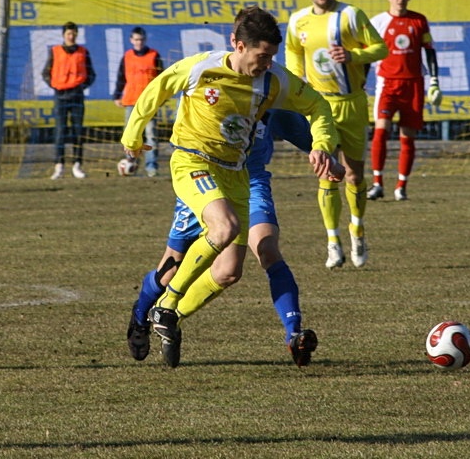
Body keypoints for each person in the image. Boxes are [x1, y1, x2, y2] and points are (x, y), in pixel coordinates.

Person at [121, 7, 340, 361]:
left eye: (271, 56)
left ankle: (163, 312)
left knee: (228, 270)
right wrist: (132, 134)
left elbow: (317, 105)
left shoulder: (273, 81)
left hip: (235, 175)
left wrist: (322, 145)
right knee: (214, 235)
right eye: (261, 56)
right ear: (237, 45)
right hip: (193, 163)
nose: (267, 63)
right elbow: (159, 86)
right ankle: (156, 310)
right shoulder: (202, 67)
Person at [127, 109, 344, 367]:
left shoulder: (273, 88)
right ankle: (141, 318)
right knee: (171, 267)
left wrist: (327, 156)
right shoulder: (216, 83)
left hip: (251, 182)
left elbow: (306, 132)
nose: (262, 67)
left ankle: (294, 334)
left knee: (246, 261)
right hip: (205, 178)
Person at [285, 0, 388, 269]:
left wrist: (354, 55)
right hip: (319, 108)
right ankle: (332, 240)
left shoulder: (351, 16)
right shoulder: (297, 21)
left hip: (352, 103)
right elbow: (292, 52)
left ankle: (357, 229)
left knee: (354, 174)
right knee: (326, 173)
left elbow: (381, 49)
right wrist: (295, 82)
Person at [367, 0, 440, 203]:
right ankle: (377, 183)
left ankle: (401, 186)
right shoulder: (378, 22)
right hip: (387, 84)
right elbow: (365, 54)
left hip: (413, 85)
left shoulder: (419, 20)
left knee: (407, 137)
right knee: (380, 131)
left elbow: (429, 51)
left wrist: (435, 80)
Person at [42, 21, 96, 180]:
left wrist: (81, 86)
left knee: (77, 132)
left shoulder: (83, 52)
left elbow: (91, 74)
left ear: (77, 35)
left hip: (77, 95)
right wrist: (54, 85)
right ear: (63, 35)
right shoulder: (55, 51)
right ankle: (59, 165)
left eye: (73, 34)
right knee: (60, 132)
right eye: (68, 34)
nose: (71, 37)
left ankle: (77, 165)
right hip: (60, 96)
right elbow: (46, 72)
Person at [113, 27, 163, 177]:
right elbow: (121, 76)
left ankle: (151, 167)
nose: (138, 42)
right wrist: (117, 94)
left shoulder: (154, 55)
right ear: (131, 40)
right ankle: (131, 164)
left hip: (149, 103)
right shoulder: (127, 56)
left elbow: (162, 78)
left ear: (145, 39)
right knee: (131, 135)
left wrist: (161, 97)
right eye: (136, 39)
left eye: (141, 39)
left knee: (151, 135)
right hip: (131, 101)